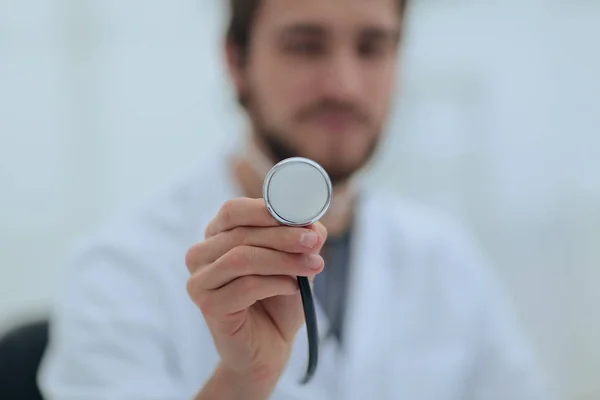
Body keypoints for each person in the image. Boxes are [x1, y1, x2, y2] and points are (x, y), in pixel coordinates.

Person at [38, 0, 554, 399]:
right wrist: (241, 383)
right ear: (237, 61)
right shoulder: (118, 267)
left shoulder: (447, 260)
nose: (343, 85)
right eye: (305, 46)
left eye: (373, 47)